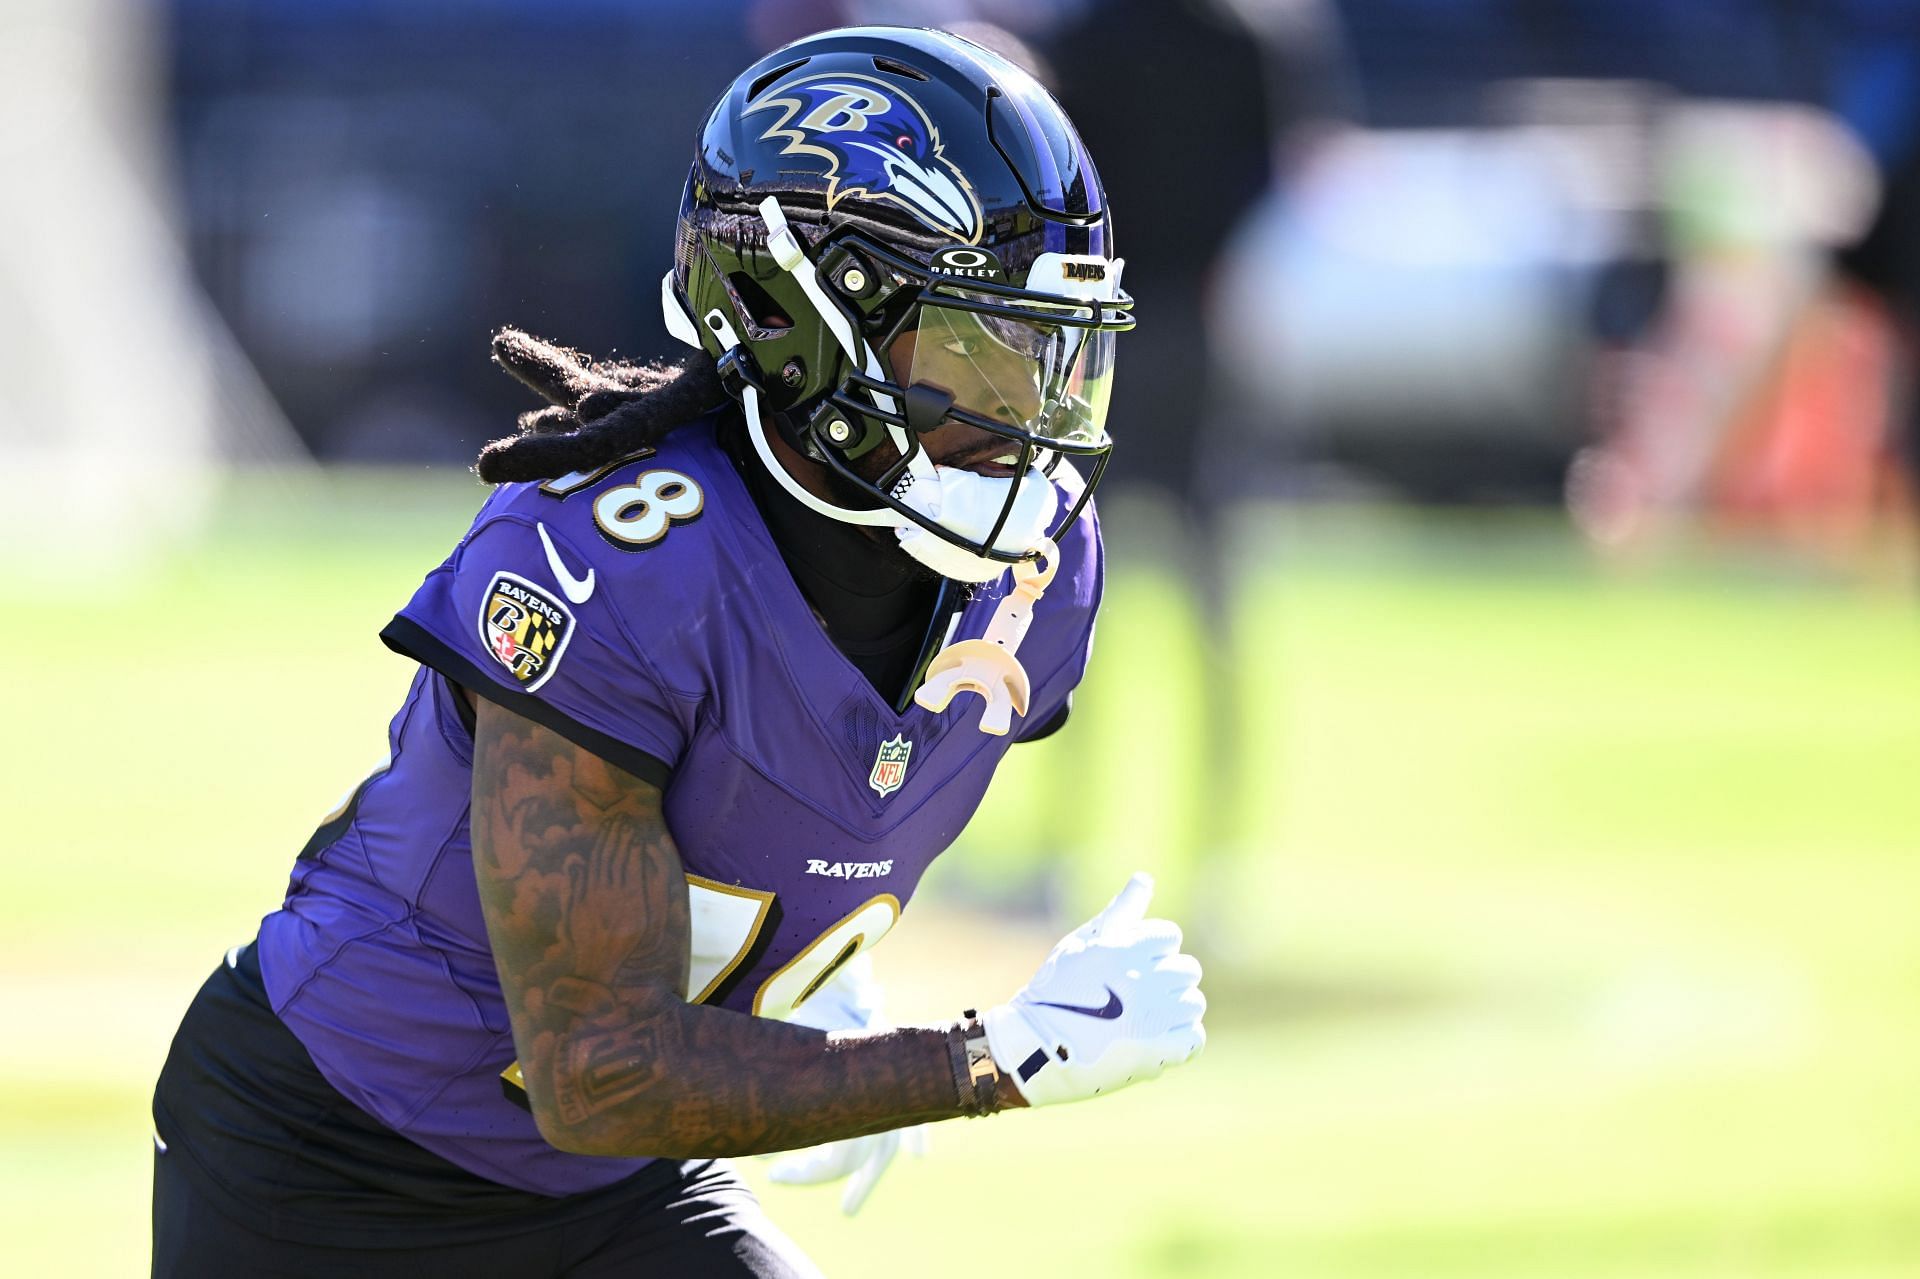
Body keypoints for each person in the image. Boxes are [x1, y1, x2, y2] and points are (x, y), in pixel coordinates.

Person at [151, 25, 1206, 1277]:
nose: (1026, 417)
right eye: (981, 347)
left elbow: (789, 818)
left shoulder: (1038, 575)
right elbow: (597, 1071)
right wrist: (982, 1059)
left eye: (1052, 356)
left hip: (613, 1188)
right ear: (802, 319)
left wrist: (789, 1016)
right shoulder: (626, 564)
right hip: (329, 1156)